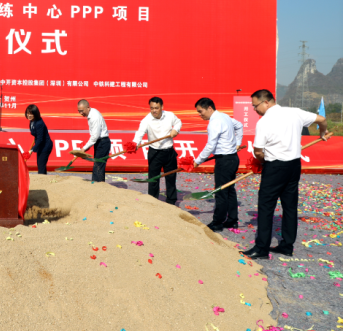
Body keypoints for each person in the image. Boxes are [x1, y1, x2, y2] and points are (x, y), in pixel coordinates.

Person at [242, 89, 328, 259]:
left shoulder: (264, 121)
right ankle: (287, 246)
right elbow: (322, 119)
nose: (254, 109)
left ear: (266, 102)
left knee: (266, 207)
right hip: (294, 166)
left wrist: (262, 162)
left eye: (255, 106)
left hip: (275, 167)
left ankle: (261, 248)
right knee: (289, 207)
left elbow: (258, 151)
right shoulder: (295, 112)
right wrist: (322, 133)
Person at [193, 97, 243, 232]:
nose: (200, 114)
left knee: (221, 191)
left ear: (209, 108)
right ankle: (232, 220)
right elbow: (239, 125)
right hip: (233, 158)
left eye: (201, 111)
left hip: (224, 161)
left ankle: (217, 222)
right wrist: (237, 143)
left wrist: (198, 161)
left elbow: (210, 145)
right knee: (229, 190)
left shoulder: (214, 122)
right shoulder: (224, 116)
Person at [133, 97, 182, 205]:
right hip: (155, 153)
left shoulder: (169, 115)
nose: (154, 110)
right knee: (153, 179)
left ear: (162, 107)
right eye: (152, 108)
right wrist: (135, 144)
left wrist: (175, 129)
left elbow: (178, 122)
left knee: (171, 177)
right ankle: (153, 203)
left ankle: (171, 202)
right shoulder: (146, 120)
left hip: (169, 152)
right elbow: (139, 133)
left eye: (156, 108)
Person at [77, 99, 110, 183]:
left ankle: (97, 186)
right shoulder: (91, 113)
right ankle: (97, 185)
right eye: (79, 111)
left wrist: (84, 148)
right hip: (99, 142)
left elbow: (95, 136)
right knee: (98, 165)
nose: (81, 113)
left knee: (98, 166)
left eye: (82, 111)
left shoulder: (94, 117)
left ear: (88, 107)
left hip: (103, 143)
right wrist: (87, 147)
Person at [25, 104, 53, 174]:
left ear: (35, 114)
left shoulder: (39, 123)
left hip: (45, 146)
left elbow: (40, 139)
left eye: (31, 114)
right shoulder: (32, 121)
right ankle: (44, 177)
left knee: (41, 165)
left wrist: (32, 150)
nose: (29, 115)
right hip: (40, 145)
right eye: (28, 113)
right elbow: (36, 135)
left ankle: (42, 179)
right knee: (40, 164)